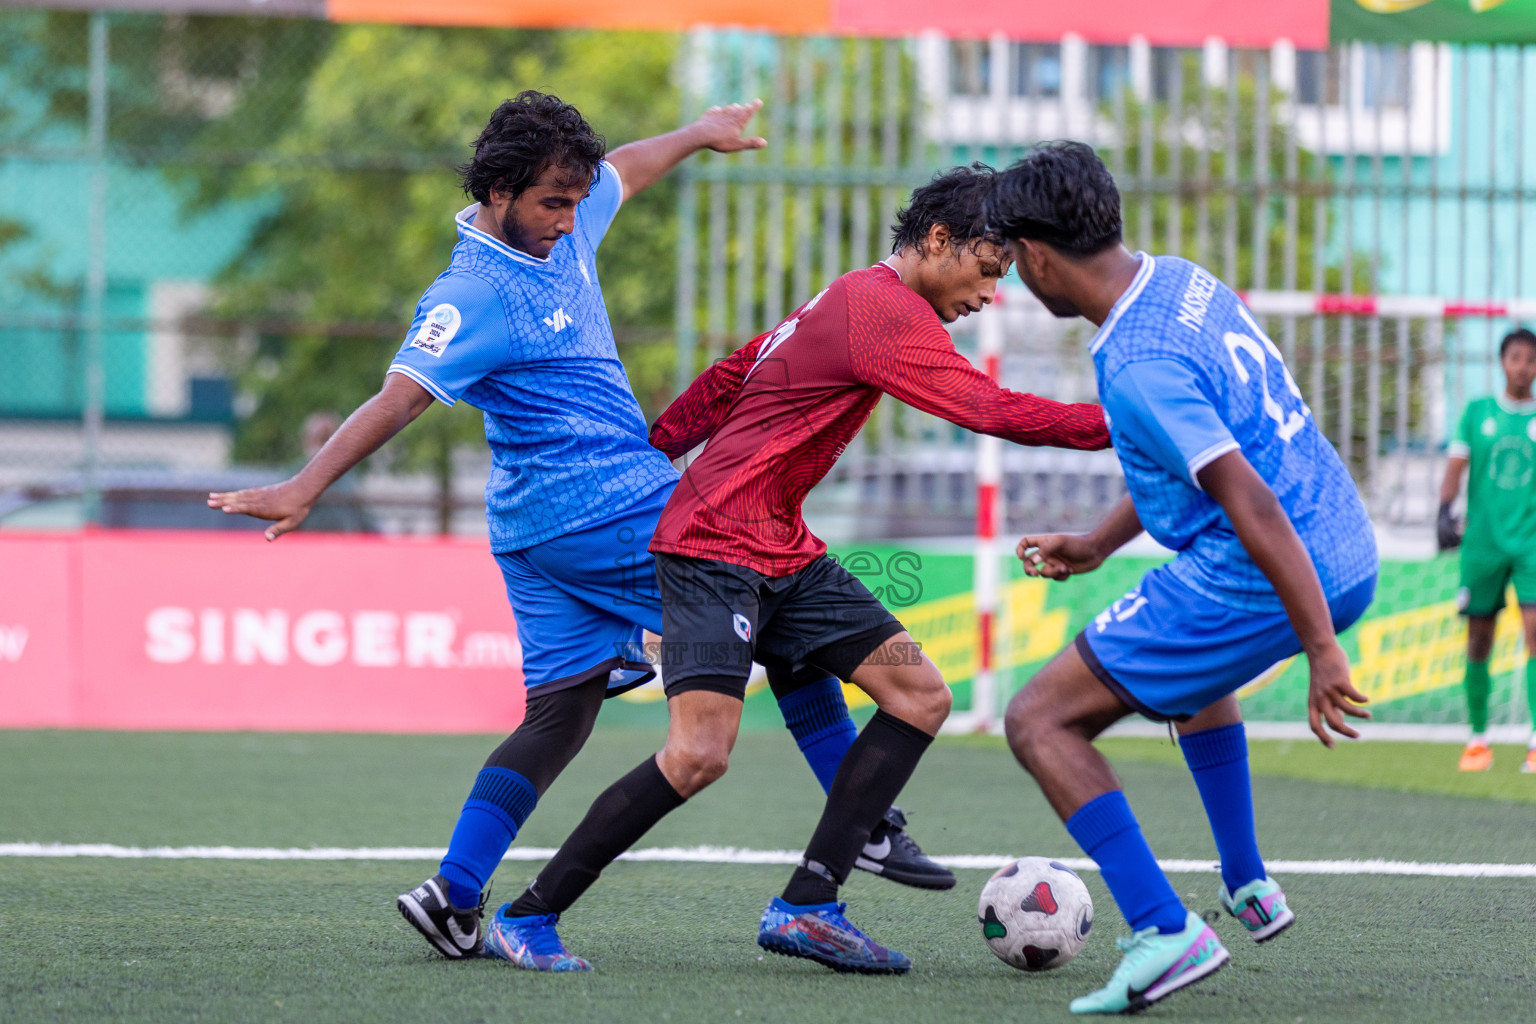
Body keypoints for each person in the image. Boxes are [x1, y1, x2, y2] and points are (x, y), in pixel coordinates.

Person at [206, 91, 952, 966]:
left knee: (559, 713)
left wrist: (699, 135)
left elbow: (624, 170)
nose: (568, 219)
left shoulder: (566, 210)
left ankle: (454, 891)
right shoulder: (475, 290)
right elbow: (398, 395)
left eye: (573, 199)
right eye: (552, 203)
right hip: (603, 509)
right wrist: (307, 485)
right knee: (778, 601)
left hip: (531, 531)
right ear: (497, 192)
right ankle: (862, 825)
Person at [483, 164, 1112, 975]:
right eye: (990, 271)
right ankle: (529, 916)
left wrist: (655, 449)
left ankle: (810, 904)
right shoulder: (883, 311)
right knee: (699, 755)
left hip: (783, 552)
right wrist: (1127, 421)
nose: (993, 293)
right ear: (938, 241)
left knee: (918, 693)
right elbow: (992, 410)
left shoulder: (851, 297)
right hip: (715, 548)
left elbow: (730, 376)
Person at [983, 142, 1379, 1015]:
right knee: (1197, 677)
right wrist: (1097, 541)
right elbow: (1197, 462)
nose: (1015, 278)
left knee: (1040, 718)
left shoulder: (1136, 364)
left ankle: (1167, 931)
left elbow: (1249, 504)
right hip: (1343, 540)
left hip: (1271, 561)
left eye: (1013, 262)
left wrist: (1321, 650)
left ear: (1040, 256)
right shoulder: (1179, 283)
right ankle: (1247, 881)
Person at [1438, 326, 1536, 774]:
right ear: (1502, 362)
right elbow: (1456, 464)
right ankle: (1478, 738)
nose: (1524, 367)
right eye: (1516, 357)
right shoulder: (1477, 413)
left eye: (1531, 359)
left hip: (1531, 546)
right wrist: (1443, 510)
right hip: (1482, 545)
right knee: (1479, 640)